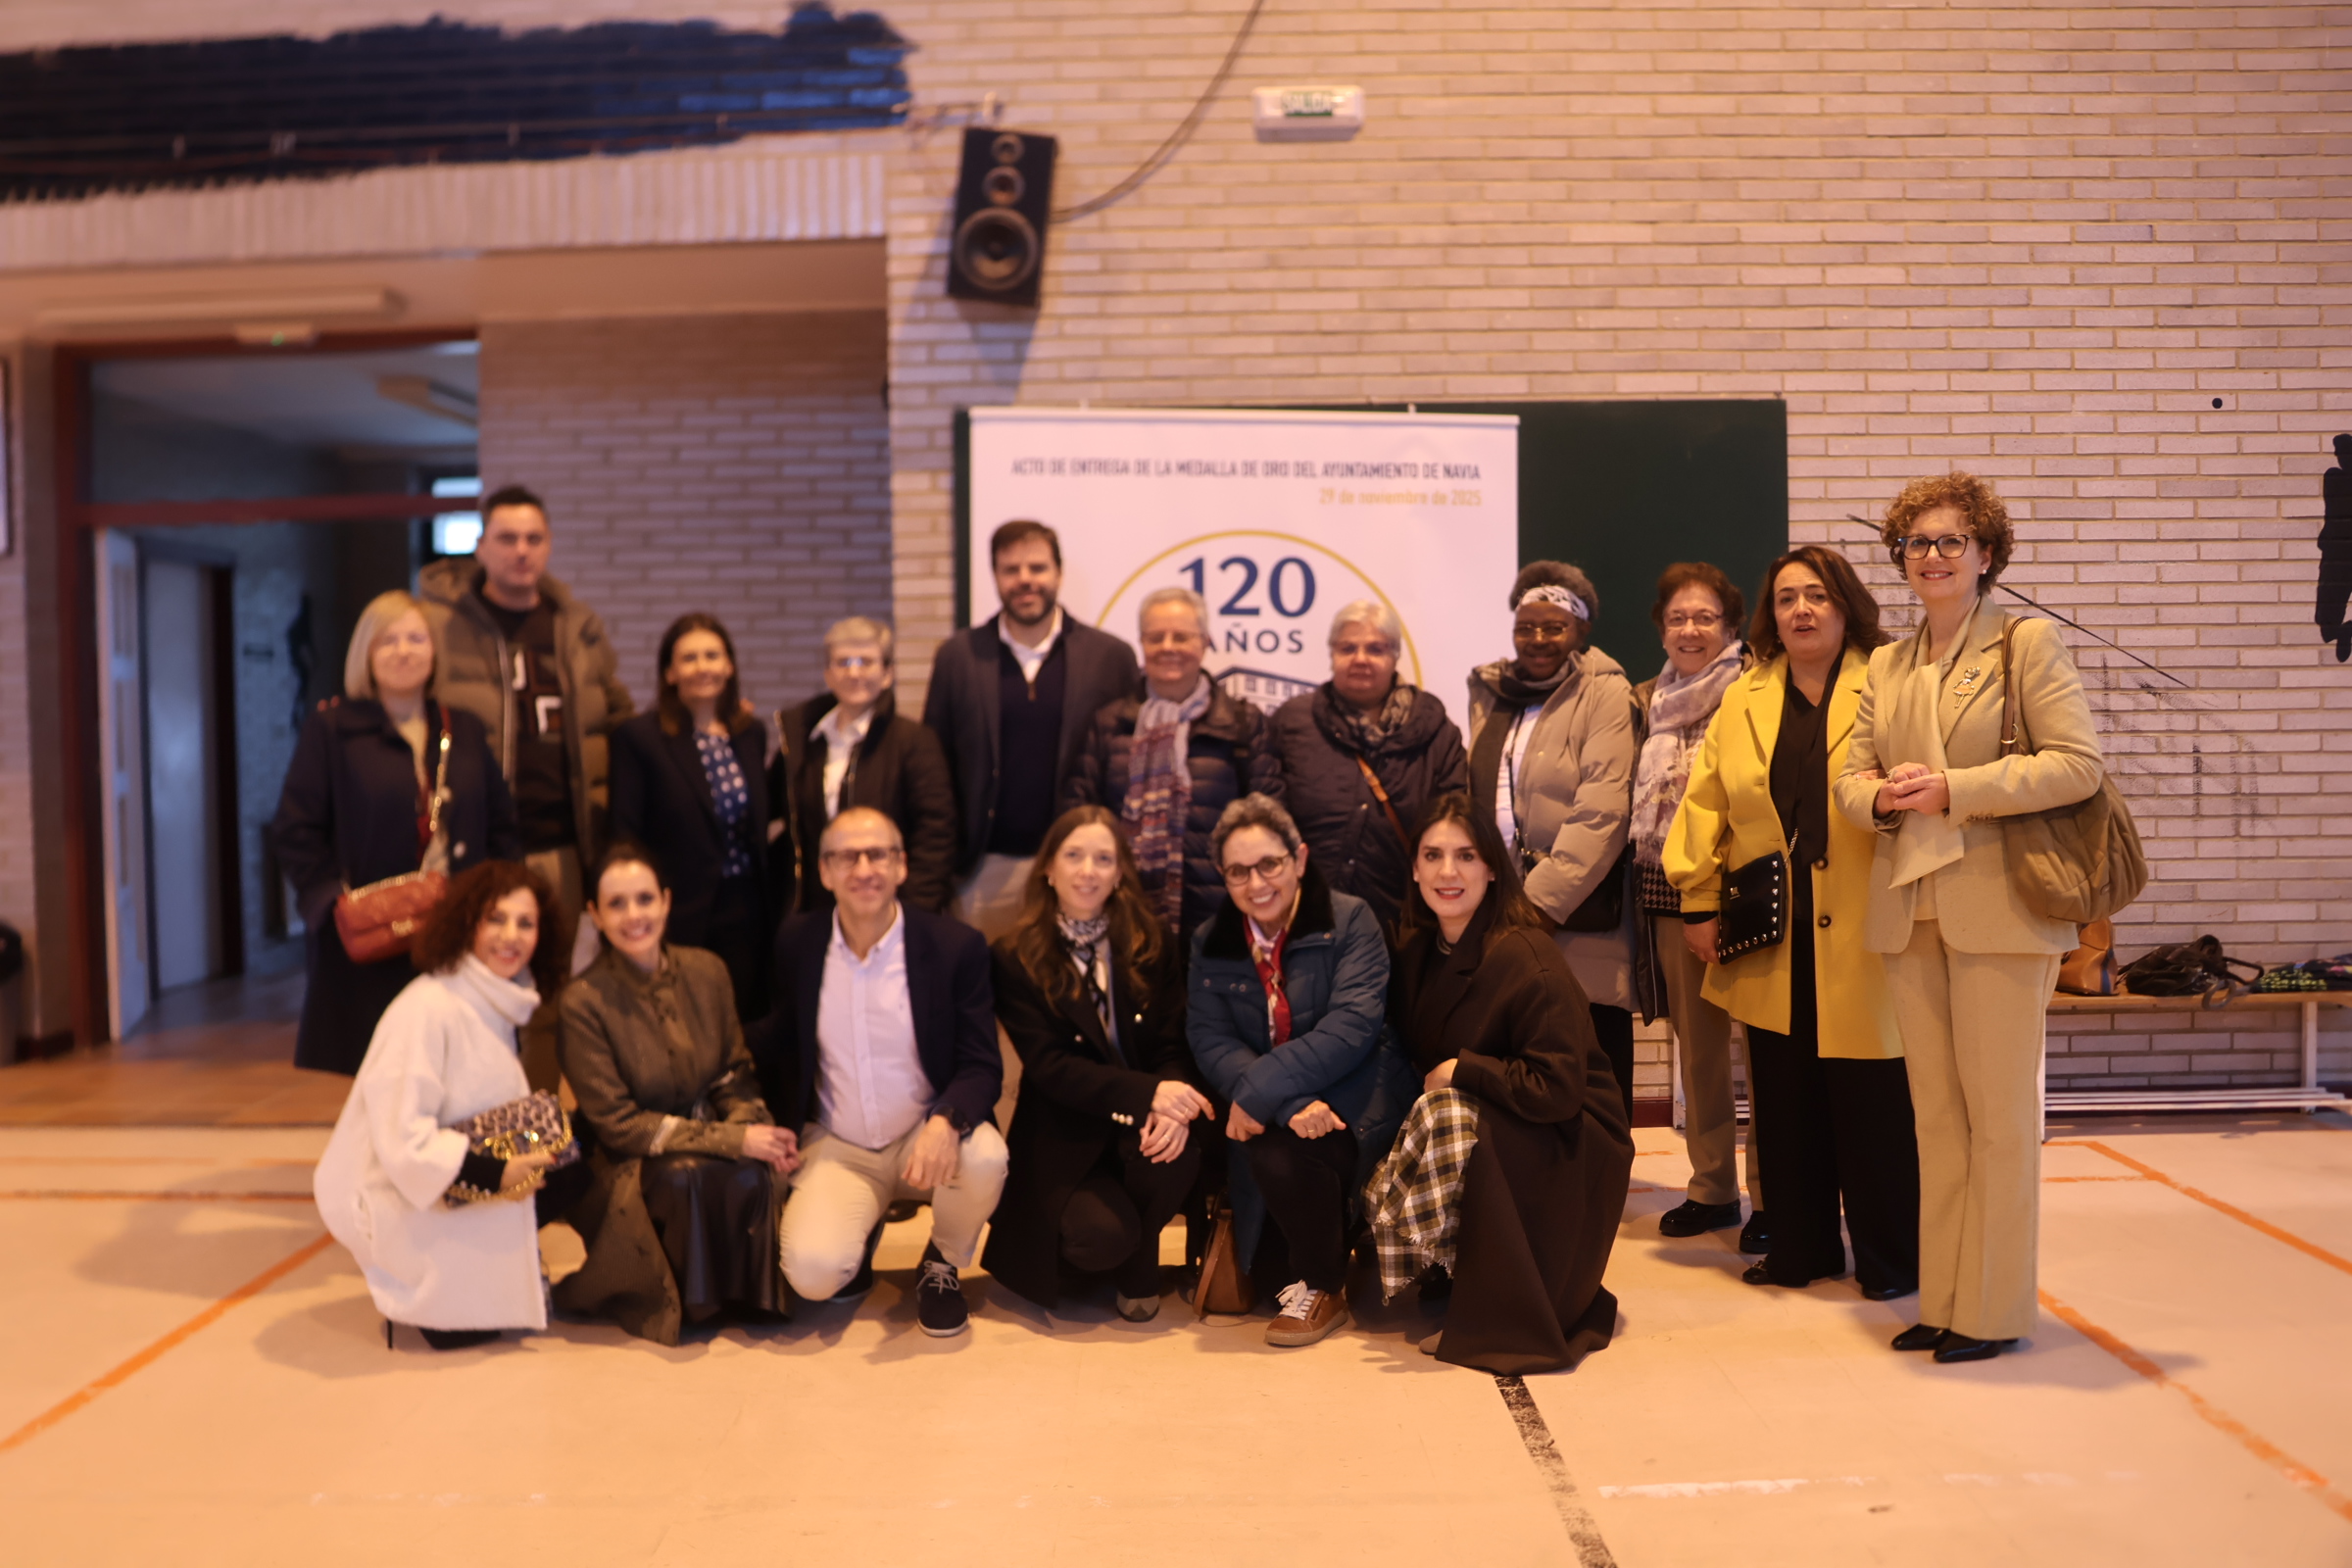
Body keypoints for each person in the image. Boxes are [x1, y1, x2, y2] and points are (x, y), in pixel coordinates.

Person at [1835, 474, 2105, 1364]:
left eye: (1952, 540)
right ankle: (1946, 1298)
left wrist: (1957, 788)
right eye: (1917, 541)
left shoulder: (2026, 643)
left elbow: (2077, 765)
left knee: (1999, 1121)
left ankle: (1992, 1311)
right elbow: (1849, 780)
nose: (1933, 555)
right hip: (1911, 907)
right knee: (1937, 1122)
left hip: (2000, 911)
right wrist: (1882, 797)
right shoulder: (1887, 664)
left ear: (1987, 555)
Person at [1667, 547, 1920, 1302]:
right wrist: (1698, 900)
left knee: (1873, 1106)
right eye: (1786, 599)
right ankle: (1801, 1252)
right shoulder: (1744, 697)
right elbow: (1706, 802)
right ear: (1770, 617)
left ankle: (1892, 1262)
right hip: (1771, 932)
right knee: (1784, 1103)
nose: (1801, 610)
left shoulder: (1891, 682)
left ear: (1846, 606)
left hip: (1870, 933)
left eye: (1817, 595)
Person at [1366, 794, 1634, 1373]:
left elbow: (1557, 1089)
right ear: (1414, 869)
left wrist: (1462, 1070)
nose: (1448, 872)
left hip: (1574, 1135)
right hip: (1507, 1116)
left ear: (1492, 867)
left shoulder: (1528, 954)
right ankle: (1445, 1271)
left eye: (1466, 856)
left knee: (1445, 1114)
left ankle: (1494, 1315)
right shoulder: (1418, 950)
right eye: (1433, 856)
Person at [753, 807, 1009, 1337]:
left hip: (923, 1130)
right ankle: (860, 1234)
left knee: (986, 1157)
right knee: (813, 1275)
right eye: (847, 857)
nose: (864, 869)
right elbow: (780, 1042)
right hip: (839, 1142)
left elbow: (982, 1063)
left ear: (901, 865)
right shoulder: (797, 943)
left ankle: (941, 1262)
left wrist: (946, 1120)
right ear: (824, 871)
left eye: (878, 854)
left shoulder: (954, 946)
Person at [313, 859, 583, 1350]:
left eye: (525, 923)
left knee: (576, 1151)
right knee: (462, 1331)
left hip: (449, 1169)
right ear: (467, 923)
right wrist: (495, 1174)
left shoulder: (493, 998)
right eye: (496, 919)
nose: (511, 936)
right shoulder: (429, 1007)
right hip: (399, 1191)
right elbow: (403, 1139)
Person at [1188, 794, 1410, 1348]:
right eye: (1238, 871)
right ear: (1223, 877)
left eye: (1270, 864)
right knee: (1268, 1281)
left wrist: (1259, 1092)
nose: (1256, 883)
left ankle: (1324, 1287)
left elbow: (1352, 1027)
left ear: (1300, 859)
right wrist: (1282, 1101)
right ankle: (1316, 1256)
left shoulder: (1350, 918)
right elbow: (1209, 1038)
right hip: (1279, 1109)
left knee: (1279, 1154)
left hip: (1353, 1094)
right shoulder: (1210, 941)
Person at [553, 843, 797, 1345]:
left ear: (666, 901)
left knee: (752, 1168)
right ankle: (695, 1303)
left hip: (702, 1129)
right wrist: (732, 1141)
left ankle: (744, 1297)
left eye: (644, 899)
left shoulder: (708, 971)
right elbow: (620, 1126)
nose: (634, 915)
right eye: (616, 904)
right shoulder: (582, 1002)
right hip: (625, 1158)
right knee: (687, 1174)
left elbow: (733, 1075)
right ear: (595, 915)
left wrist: (754, 1130)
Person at [270, 590, 519, 1076]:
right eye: (388, 641)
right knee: (385, 1072)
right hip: (374, 937)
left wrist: (500, 901)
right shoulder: (332, 729)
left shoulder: (463, 728)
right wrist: (332, 901)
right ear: (365, 653)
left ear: (434, 652)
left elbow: (502, 824)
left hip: (458, 929)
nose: (403, 651)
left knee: (460, 1067)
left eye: (416, 639)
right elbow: (296, 828)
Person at [983, 808, 1214, 1319]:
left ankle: (1138, 1267)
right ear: (1049, 868)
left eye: (1103, 859)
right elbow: (1051, 1066)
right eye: (1074, 856)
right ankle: (1125, 1249)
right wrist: (1148, 1094)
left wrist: (1172, 1104)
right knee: (1101, 1238)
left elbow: (1173, 1044)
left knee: (1180, 1152)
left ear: (1119, 872)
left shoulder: (1152, 940)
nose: (1088, 870)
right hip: (1065, 1131)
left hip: (1142, 1123)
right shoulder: (1014, 955)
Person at [419, 485, 634, 973]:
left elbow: (617, 717)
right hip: (478, 844)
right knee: (479, 982)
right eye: (507, 538)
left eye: (534, 539)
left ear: (549, 544)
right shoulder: (442, 627)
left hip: (565, 846)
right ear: (480, 547)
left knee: (557, 983)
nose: (521, 550)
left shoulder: (577, 628)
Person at [1464, 563, 1639, 1124]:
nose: (1538, 639)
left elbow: (1602, 813)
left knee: (1591, 1077)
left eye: (1554, 627)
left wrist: (1535, 908)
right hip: (1499, 916)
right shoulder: (1492, 692)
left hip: (1574, 918)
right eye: (1526, 627)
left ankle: (1601, 1174)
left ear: (1581, 630)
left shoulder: (1606, 693)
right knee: (1518, 1077)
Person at [1629, 563, 1767, 1250]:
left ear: (1731, 627)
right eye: (1678, 618)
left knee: (1766, 1055)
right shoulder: (1643, 699)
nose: (1690, 629)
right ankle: (1712, 1188)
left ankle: (1772, 1194)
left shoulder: (1756, 691)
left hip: (1749, 896)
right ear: (1661, 628)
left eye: (1705, 617)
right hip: (1668, 899)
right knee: (1700, 1055)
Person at [923, 519, 1140, 940]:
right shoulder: (958, 657)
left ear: (1059, 573)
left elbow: (1128, 765)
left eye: (1037, 568)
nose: (1025, 580)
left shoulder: (1110, 657)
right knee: (986, 979)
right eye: (1011, 569)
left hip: (1082, 869)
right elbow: (935, 767)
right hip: (985, 871)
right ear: (995, 576)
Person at [1063, 587, 1281, 941]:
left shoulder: (1243, 723)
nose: (1168, 647)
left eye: (1181, 636)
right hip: (1124, 917)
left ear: (1205, 642)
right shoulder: (1109, 724)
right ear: (1142, 644)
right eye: (1156, 637)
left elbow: (1270, 822)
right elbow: (1079, 816)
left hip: (1223, 921)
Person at [1261, 601, 1468, 931]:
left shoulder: (1437, 734)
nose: (1360, 658)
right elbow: (1266, 817)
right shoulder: (1291, 724)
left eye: (1375, 649)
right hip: (1305, 920)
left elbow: (1454, 828)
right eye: (1348, 648)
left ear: (1395, 656)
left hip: (1402, 924)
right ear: (1331, 654)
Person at [609, 613, 772, 1019]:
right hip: (679, 910)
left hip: (748, 910)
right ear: (670, 673)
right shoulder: (640, 738)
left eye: (712, 656)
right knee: (684, 1020)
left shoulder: (750, 733)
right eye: (689, 658)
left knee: (741, 1017)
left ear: (729, 666)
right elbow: (624, 833)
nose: (703, 667)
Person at [771, 615, 956, 916]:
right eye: (843, 662)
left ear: (887, 674)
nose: (854, 672)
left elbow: (936, 836)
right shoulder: (803, 741)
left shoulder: (915, 742)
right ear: (828, 674)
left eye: (866, 662)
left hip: (890, 909)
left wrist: (912, 913)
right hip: (818, 910)